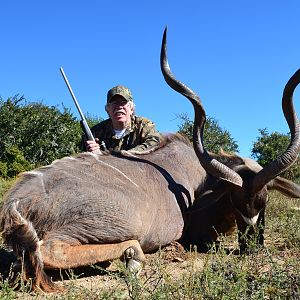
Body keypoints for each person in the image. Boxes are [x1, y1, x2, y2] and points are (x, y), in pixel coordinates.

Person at [84, 85, 161, 153]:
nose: (119, 107)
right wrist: (92, 151)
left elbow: (156, 142)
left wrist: (125, 156)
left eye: (123, 102)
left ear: (131, 108)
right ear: (107, 109)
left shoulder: (144, 125)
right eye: (114, 103)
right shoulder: (95, 132)